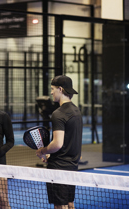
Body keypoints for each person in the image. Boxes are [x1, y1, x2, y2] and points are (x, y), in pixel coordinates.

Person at [36, 75, 83, 209]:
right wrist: (51, 154)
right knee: (69, 203)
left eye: (52, 89)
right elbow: (70, 140)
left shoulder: (59, 113)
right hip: (72, 165)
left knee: (60, 206)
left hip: (58, 167)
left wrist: (42, 151)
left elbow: (57, 144)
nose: (51, 92)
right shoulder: (76, 111)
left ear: (60, 89)